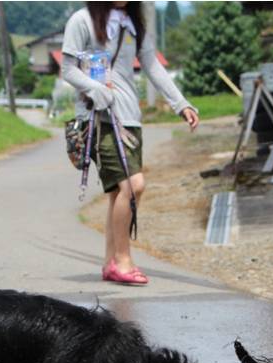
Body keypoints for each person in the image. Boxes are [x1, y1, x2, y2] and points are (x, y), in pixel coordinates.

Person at [62, 1, 199, 286]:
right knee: (132, 185)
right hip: (99, 118)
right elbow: (68, 69)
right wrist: (96, 88)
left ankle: (110, 261)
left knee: (118, 193)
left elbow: (152, 66)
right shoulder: (82, 20)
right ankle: (123, 260)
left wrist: (180, 104)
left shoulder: (133, 23)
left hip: (130, 119)